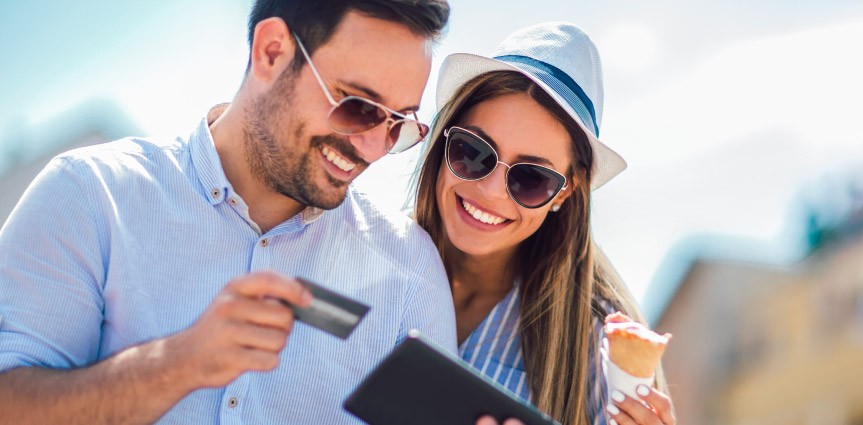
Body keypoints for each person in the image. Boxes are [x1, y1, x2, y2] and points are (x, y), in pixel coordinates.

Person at [0, 1, 455, 423]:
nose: (372, 149)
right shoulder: (90, 193)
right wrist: (174, 366)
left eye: (398, 124)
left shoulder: (410, 269)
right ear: (271, 52)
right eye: (358, 106)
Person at [413, 23, 677, 425]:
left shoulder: (599, 349)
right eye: (473, 152)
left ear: (566, 192)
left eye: (531, 178)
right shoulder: (367, 256)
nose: (492, 192)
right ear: (444, 140)